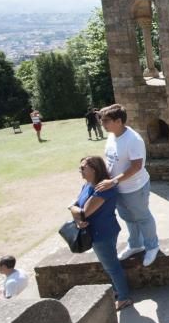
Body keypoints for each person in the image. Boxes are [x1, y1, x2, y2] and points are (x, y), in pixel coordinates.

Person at [96, 104, 160, 267]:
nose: (102, 124)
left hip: (134, 187)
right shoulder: (112, 136)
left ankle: (152, 246)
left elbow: (136, 166)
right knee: (128, 218)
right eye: (102, 120)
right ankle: (136, 245)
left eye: (106, 121)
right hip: (118, 188)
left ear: (118, 121)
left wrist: (113, 181)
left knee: (142, 217)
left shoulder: (133, 139)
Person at [69, 155, 133, 311]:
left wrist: (72, 210)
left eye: (83, 168)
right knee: (109, 264)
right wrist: (76, 216)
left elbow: (83, 211)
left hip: (103, 232)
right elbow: (78, 205)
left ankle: (124, 297)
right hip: (98, 231)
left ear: (94, 169)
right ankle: (119, 292)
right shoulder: (87, 185)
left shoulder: (103, 188)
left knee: (111, 266)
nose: (80, 170)